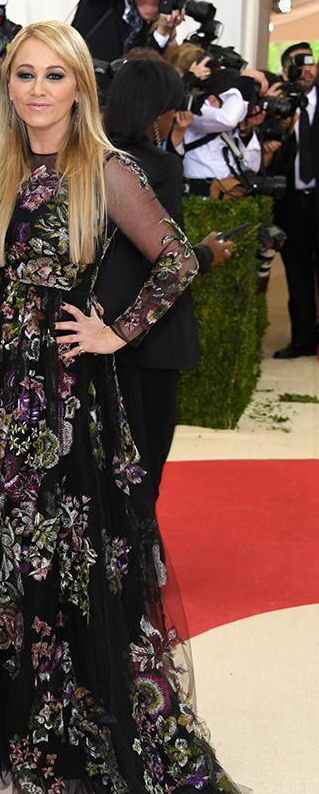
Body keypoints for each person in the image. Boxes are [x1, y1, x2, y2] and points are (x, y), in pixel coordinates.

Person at [0, 21, 247, 794]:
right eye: (24, 76)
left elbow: (176, 257)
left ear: (80, 85)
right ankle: (13, 723)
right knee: (4, 550)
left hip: (64, 398)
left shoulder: (105, 168)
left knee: (65, 560)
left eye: (54, 76)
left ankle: (71, 731)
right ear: (9, 87)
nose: (37, 90)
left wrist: (119, 328)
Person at [100, 58, 231, 497]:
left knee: (105, 473)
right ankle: (139, 561)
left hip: (98, 332)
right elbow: (167, 259)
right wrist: (206, 254)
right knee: (145, 472)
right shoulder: (159, 166)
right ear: (157, 109)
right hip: (151, 340)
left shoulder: (88, 159)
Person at [269, 42, 319, 358]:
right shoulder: (279, 105)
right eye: (300, 64)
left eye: (312, 63)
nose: (308, 70)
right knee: (297, 270)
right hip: (292, 201)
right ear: (287, 69)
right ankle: (302, 339)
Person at [71, 0, 189, 63]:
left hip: (110, 87)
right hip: (78, 76)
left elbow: (141, 63)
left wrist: (164, 30)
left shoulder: (140, 25)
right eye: (162, 0)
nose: (162, 9)